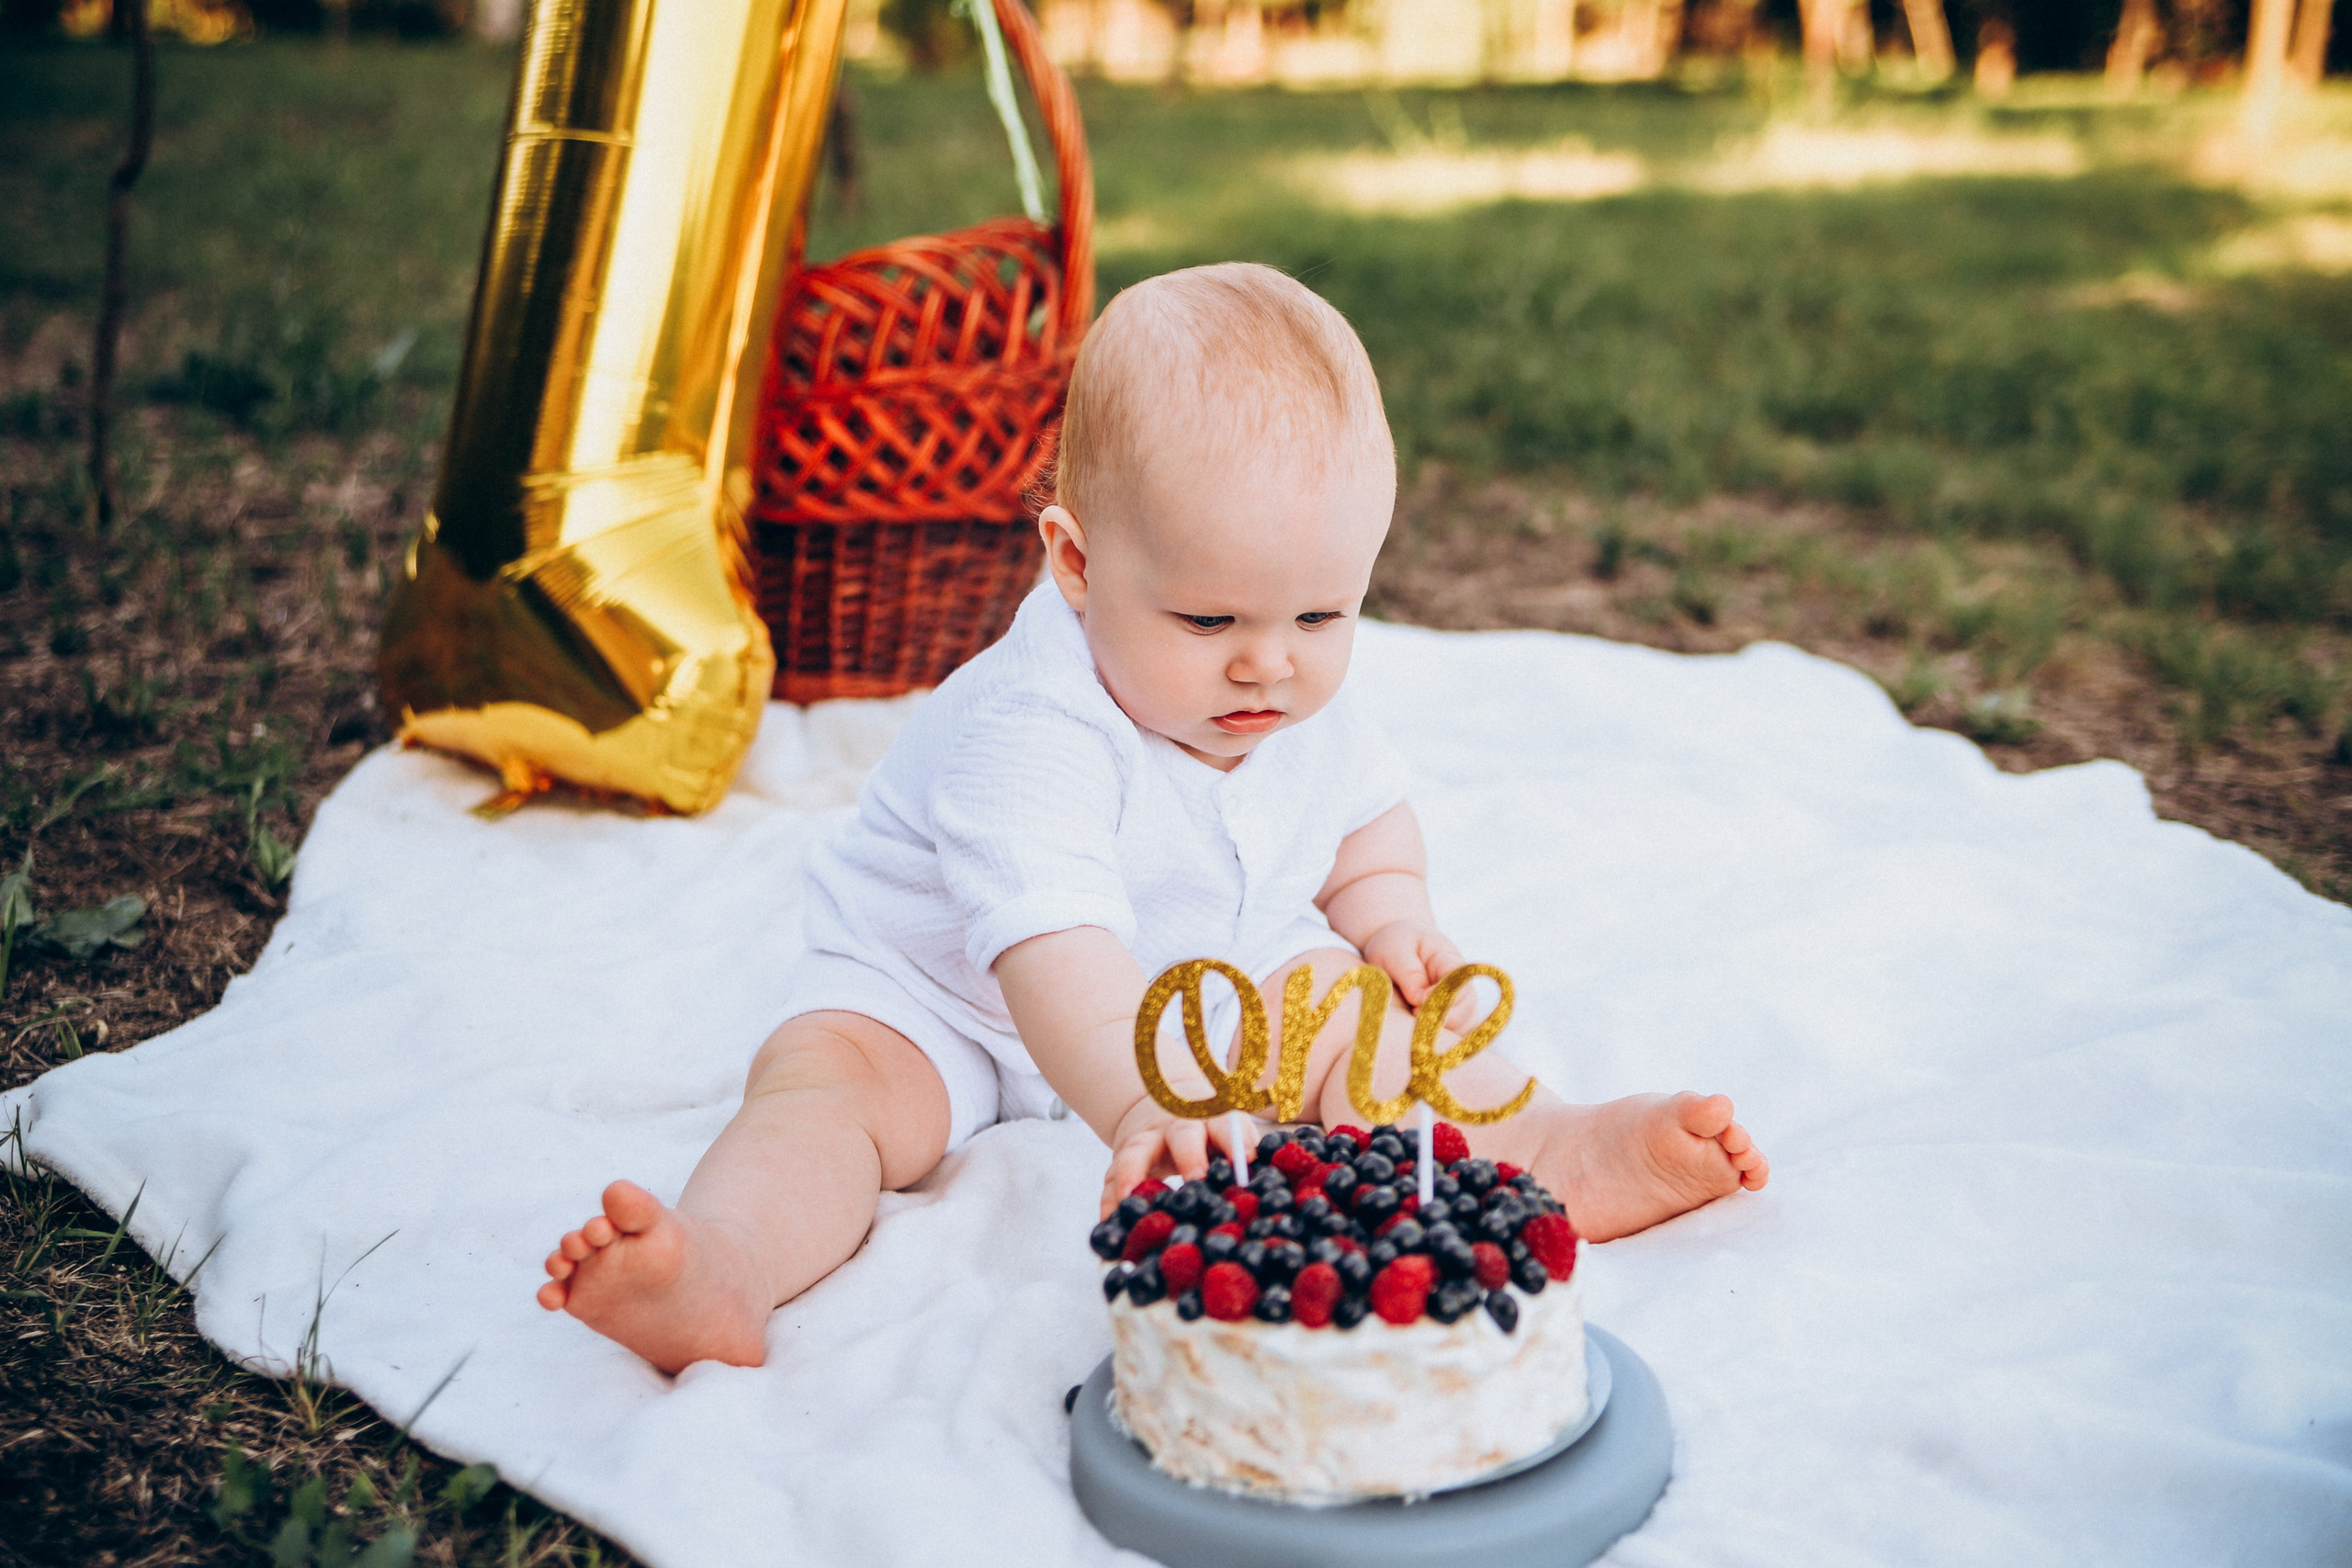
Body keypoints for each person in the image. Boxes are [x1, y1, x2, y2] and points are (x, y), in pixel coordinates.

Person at [536, 263, 1769, 1373]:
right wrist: (1143, 1109)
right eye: (1210, 623)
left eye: (1320, 618)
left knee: (1360, 1014)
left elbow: (1366, 827)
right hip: (942, 1001)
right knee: (825, 1097)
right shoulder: (1031, 722)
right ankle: (727, 1263)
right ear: (1075, 564)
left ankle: (1545, 1143)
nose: (1269, 670)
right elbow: (1051, 949)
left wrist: (1396, 917)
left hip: (1209, 982)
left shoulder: (1296, 690)